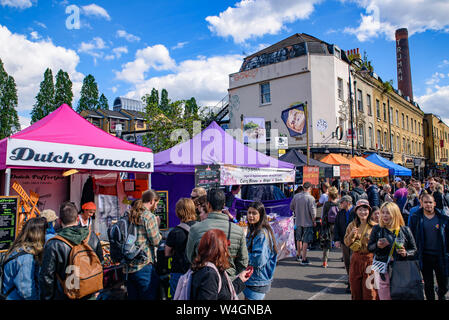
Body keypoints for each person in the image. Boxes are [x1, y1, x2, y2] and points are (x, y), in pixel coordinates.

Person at [39, 201, 104, 300]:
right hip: (89, 292)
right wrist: (96, 288)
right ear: (78, 219)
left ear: (60, 221)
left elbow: (47, 277)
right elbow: (100, 263)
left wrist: (47, 298)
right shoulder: (92, 237)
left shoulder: (53, 244)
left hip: (64, 295)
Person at [186, 188, 248, 279]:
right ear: (223, 205)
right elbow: (243, 262)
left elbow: (190, 257)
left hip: (204, 279)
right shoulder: (238, 230)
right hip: (229, 281)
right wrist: (231, 274)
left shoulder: (195, 229)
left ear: (208, 205)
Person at [368, 201, 418, 300]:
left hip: (401, 267)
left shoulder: (405, 230)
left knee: (400, 295)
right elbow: (369, 248)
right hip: (382, 267)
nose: (384, 216)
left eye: (388, 213)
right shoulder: (377, 229)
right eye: (383, 212)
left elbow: (414, 250)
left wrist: (406, 253)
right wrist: (377, 245)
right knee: (385, 295)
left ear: (395, 214)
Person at [190, 229, 251, 300]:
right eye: (226, 246)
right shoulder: (209, 274)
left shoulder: (209, 267)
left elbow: (224, 293)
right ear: (220, 249)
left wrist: (240, 280)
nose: (227, 250)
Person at [409, 193, 449, 300]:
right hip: (424, 255)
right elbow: (410, 235)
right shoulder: (415, 218)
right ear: (421, 203)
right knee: (428, 283)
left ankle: (441, 294)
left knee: (444, 283)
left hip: (440, 255)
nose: (428, 205)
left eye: (430, 202)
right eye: (425, 202)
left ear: (434, 203)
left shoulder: (443, 218)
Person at [125, 190, 162, 300]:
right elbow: (156, 241)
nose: (156, 206)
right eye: (157, 203)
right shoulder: (148, 217)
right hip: (143, 264)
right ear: (152, 201)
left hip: (128, 266)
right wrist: (158, 226)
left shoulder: (130, 214)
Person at [2, 217, 47, 300]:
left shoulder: (18, 248)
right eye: (45, 232)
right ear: (39, 235)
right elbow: (26, 291)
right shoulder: (26, 258)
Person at [343, 199, 377, 300]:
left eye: (365, 209)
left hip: (370, 261)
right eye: (360, 210)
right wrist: (351, 235)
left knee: (370, 291)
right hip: (356, 259)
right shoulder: (352, 225)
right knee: (355, 290)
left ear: (369, 211)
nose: (363, 212)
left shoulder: (374, 226)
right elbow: (346, 242)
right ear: (356, 211)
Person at [244, 202, 277, 300]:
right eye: (249, 213)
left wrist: (241, 257)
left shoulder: (261, 233)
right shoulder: (253, 230)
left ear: (261, 215)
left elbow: (258, 259)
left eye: (254, 213)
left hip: (257, 280)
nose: (250, 216)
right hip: (252, 278)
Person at [165, 198, 198, 295]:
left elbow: (167, 253)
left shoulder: (175, 232)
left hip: (179, 272)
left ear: (178, 212)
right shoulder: (200, 228)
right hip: (197, 271)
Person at [290, 182, 316, 265]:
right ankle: (304, 258)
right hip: (307, 221)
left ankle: (299, 255)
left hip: (298, 221)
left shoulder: (296, 196)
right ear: (310, 188)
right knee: (305, 240)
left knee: (298, 239)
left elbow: (291, 207)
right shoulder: (311, 198)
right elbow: (313, 212)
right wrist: (314, 220)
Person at [333, 195, 355, 293]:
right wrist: (336, 239)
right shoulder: (340, 213)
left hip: (355, 241)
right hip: (344, 241)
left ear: (348, 202)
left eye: (342, 202)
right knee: (347, 262)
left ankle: (352, 283)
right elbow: (336, 226)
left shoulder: (355, 212)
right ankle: (350, 278)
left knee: (353, 261)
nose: (340, 204)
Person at [321, 186, 339, 268]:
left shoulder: (327, 204)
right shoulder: (339, 204)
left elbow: (323, 215)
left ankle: (325, 262)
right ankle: (343, 259)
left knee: (326, 244)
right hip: (337, 225)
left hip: (328, 225)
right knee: (341, 242)